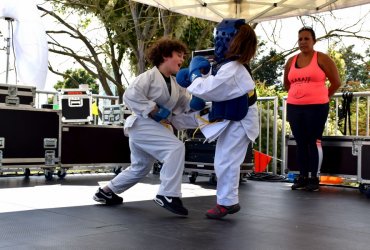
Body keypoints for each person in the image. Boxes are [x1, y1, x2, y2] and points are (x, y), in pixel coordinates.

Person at [93, 37, 192, 216]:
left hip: (152, 128)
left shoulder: (177, 84)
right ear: (165, 55)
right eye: (179, 55)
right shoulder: (147, 77)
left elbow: (185, 105)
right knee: (176, 149)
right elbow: (130, 96)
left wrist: (200, 102)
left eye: (183, 56)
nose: (182, 60)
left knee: (141, 167)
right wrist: (152, 109)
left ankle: (106, 192)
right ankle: (168, 194)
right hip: (141, 124)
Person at [179, 19, 259, 219]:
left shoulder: (233, 69)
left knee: (226, 161)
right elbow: (211, 87)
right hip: (233, 117)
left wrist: (195, 74)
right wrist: (195, 79)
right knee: (223, 160)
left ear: (228, 40)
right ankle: (226, 201)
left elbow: (207, 89)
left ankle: (227, 203)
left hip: (240, 121)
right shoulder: (229, 66)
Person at [283, 27, 341, 192]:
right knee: (300, 142)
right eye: (300, 39)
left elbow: (336, 82)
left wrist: (323, 97)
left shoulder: (322, 58)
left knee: (313, 142)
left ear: (314, 41)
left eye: (306, 38)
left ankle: (314, 178)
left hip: (317, 107)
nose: (303, 42)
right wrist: (298, 95)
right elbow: (287, 83)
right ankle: (302, 177)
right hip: (295, 107)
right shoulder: (291, 61)